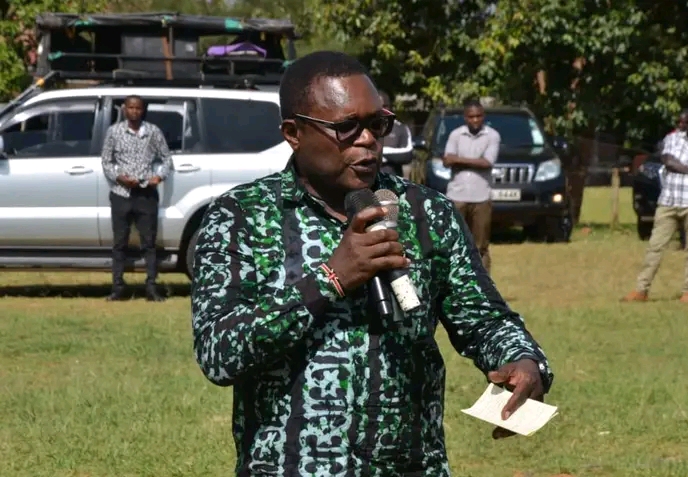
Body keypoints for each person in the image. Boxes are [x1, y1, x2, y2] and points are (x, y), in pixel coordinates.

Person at [191, 51, 553, 476]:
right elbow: (219, 353)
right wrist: (331, 279)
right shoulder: (241, 217)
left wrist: (526, 362)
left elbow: (486, 321)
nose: (368, 140)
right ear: (293, 132)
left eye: (377, 124)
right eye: (347, 127)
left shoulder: (425, 212)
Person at [623, 110, 688, 304]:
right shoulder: (672, 138)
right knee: (655, 246)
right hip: (669, 200)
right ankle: (642, 289)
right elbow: (669, 162)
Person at [101, 95, 173, 302]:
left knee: (149, 243)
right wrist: (119, 177)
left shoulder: (153, 132)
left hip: (146, 193)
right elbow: (106, 161)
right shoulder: (114, 132)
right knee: (119, 243)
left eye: (138, 108)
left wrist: (159, 176)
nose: (134, 111)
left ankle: (151, 287)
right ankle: (117, 287)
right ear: (124, 109)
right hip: (121, 193)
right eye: (130, 107)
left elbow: (166, 158)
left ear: (143, 110)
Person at [442, 99, 501, 274]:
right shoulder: (456, 135)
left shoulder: (492, 135)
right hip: (457, 195)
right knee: (454, 241)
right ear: (465, 118)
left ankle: (483, 287)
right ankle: (455, 282)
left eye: (479, 116)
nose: (475, 120)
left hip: (481, 196)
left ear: (484, 116)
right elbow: (447, 160)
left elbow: (488, 162)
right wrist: (474, 161)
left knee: (480, 246)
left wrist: (458, 160)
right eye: (471, 116)